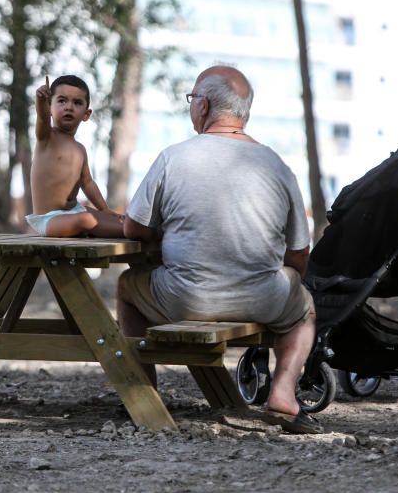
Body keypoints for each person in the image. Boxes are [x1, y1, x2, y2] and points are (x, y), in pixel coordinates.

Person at [117, 65, 321, 434]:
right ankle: (284, 394)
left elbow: (134, 227)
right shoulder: (277, 165)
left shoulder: (173, 158)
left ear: (204, 106)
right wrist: (280, 283)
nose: (191, 106)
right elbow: (299, 254)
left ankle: (143, 392)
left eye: (192, 99)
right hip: (263, 299)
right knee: (303, 308)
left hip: (185, 299)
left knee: (128, 285)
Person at [27, 74, 124, 237]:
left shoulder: (80, 150)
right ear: (50, 106)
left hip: (75, 210)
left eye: (77, 103)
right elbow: (42, 118)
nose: (69, 107)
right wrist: (40, 100)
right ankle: (129, 231)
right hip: (50, 220)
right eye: (62, 101)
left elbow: (87, 183)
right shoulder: (46, 138)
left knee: (121, 220)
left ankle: (133, 229)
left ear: (86, 114)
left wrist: (104, 209)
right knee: (85, 220)